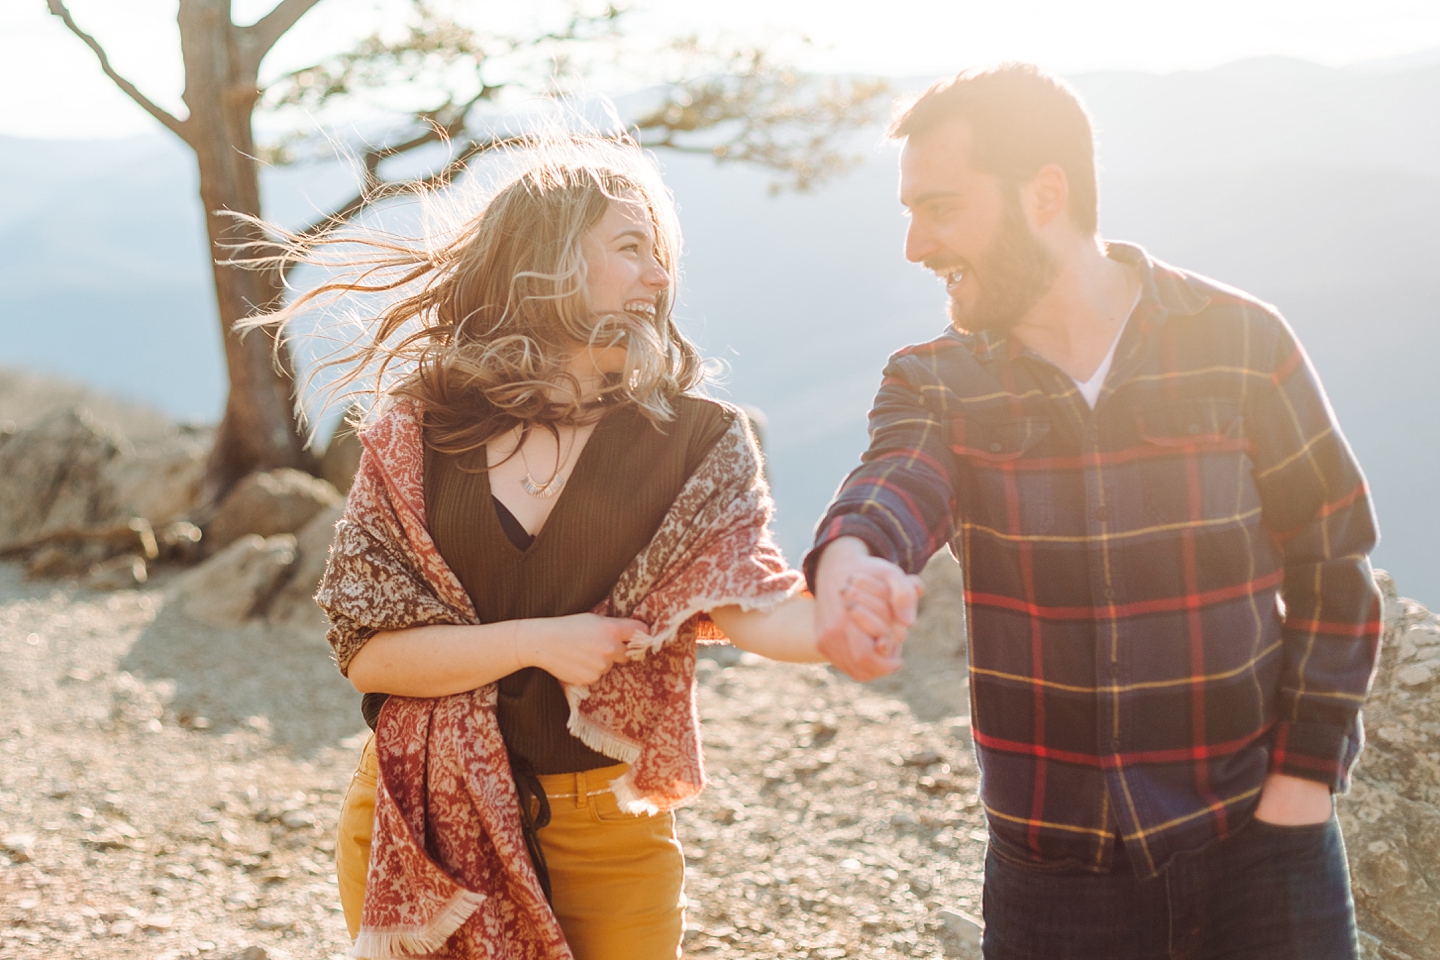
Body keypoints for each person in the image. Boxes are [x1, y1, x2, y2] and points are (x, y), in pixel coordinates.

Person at [254, 142, 916, 960]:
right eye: (630, 247)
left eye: (661, 255)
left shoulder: (699, 439)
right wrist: (538, 642)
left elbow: (748, 598)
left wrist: (836, 626)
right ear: (547, 257)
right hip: (422, 816)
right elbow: (371, 654)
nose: (657, 276)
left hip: (607, 830)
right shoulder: (418, 429)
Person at [808, 64, 1381, 959]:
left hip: (1260, 848)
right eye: (909, 211)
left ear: (1044, 193)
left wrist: (1304, 785)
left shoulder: (1239, 343)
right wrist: (851, 561)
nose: (916, 246)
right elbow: (892, 485)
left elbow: (1334, 561)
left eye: (943, 206)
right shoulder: (934, 381)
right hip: (1053, 878)